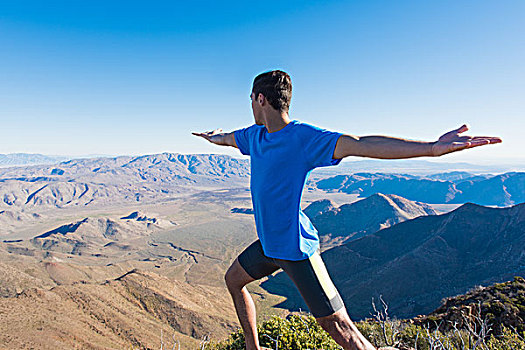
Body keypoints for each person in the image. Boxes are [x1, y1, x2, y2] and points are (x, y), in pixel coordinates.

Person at [192, 70, 501, 350]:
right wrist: (212, 137)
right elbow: (228, 139)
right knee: (233, 280)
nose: (249, 105)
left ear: (260, 99)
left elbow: (361, 143)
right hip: (269, 246)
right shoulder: (253, 136)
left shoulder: (303, 137)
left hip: (295, 248)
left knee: (341, 330)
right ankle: (252, 347)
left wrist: (431, 148)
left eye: (250, 99)